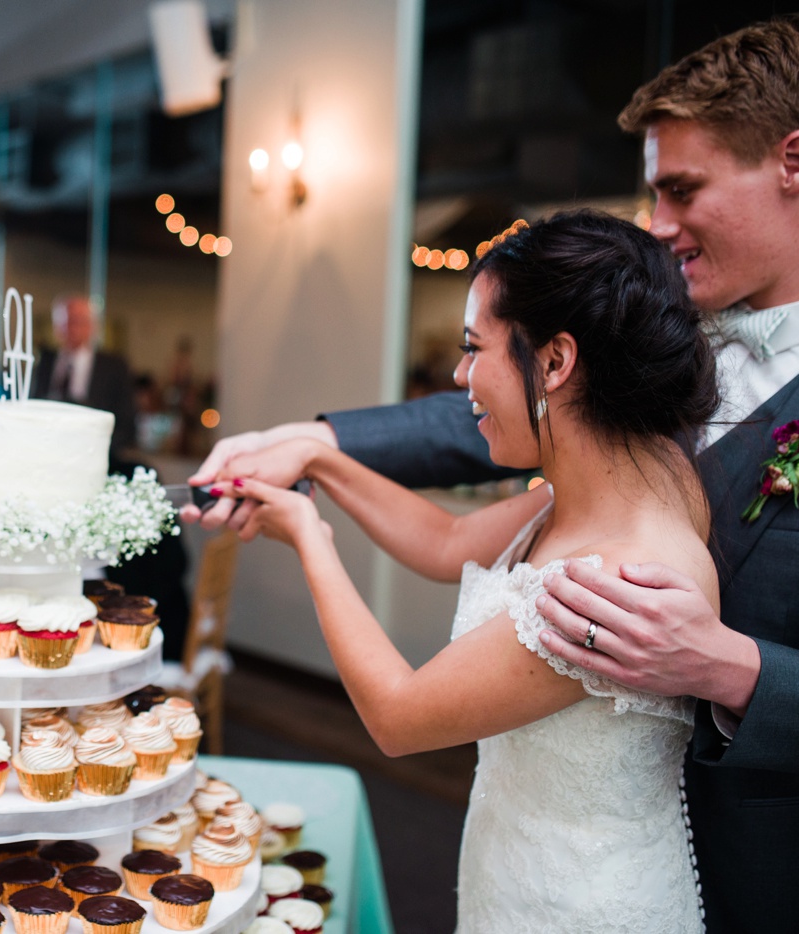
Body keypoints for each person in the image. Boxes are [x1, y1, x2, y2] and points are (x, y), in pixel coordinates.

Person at [188, 19, 799, 932]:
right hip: (541, 854)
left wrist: (737, 668)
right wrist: (319, 447)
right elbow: (455, 510)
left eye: (682, 189)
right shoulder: (635, 394)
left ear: (792, 161)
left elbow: (399, 718)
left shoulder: (619, 542)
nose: (659, 226)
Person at [219, 211, 715, 930]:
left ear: (554, 362)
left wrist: (308, 536)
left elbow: (398, 716)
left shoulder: (616, 580)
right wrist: (318, 457)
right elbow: (448, 540)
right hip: (512, 870)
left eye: (473, 348)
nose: (460, 376)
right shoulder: (613, 481)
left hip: (580, 908)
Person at [34, 295, 137, 456]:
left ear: (92, 326)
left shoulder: (114, 367)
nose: (71, 328)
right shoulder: (43, 363)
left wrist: (97, 448)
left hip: (94, 451)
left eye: (77, 321)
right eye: (65, 322)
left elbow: (126, 422)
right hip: (47, 449)